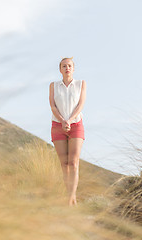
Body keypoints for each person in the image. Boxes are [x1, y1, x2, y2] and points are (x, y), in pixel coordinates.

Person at [49, 57, 86, 206]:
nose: (67, 68)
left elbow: (80, 105)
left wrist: (69, 121)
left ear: (73, 68)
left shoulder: (81, 84)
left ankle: (71, 198)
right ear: (60, 69)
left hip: (76, 125)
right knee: (64, 164)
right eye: (64, 66)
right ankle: (70, 198)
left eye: (69, 66)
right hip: (57, 125)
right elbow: (52, 106)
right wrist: (62, 121)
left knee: (73, 162)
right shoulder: (53, 86)